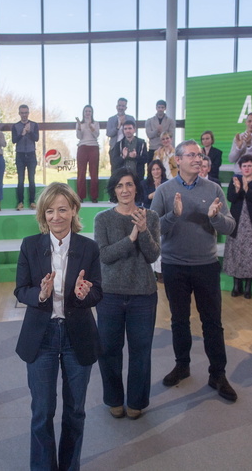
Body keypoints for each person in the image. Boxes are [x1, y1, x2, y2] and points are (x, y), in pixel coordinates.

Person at [14, 182, 102, 471]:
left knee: (75, 412)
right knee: (42, 411)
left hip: (78, 334)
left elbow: (97, 291)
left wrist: (83, 294)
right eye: (50, 211)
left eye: (62, 209)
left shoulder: (89, 248)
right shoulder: (30, 245)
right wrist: (40, 294)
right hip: (42, 337)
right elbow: (20, 290)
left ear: (74, 210)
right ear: (43, 214)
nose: (56, 216)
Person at [150, 140, 237, 402]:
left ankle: (218, 374)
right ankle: (182, 365)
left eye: (200, 155)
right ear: (177, 160)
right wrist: (173, 215)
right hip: (174, 266)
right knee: (179, 320)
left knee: (213, 323)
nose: (198, 159)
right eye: (192, 155)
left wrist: (214, 218)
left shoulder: (213, 189)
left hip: (206, 267)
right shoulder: (165, 191)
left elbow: (230, 227)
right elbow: (154, 229)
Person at [94, 168, 160, 420]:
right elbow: (105, 255)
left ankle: (136, 401)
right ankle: (113, 399)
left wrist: (142, 230)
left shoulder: (150, 217)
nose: (125, 189)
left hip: (143, 295)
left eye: (129, 184)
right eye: (120, 185)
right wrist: (131, 237)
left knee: (140, 351)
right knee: (109, 350)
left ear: (136, 188)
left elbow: (153, 255)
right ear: (114, 190)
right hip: (109, 295)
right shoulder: (103, 219)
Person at [223, 154, 252, 299]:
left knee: (250, 254)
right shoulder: (234, 180)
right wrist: (237, 189)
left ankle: (248, 287)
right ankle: (237, 285)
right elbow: (231, 199)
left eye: (249, 166)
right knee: (237, 253)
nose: (247, 168)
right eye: (244, 166)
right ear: (240, 168)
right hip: (237, 223)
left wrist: (247, 188)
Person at [12, 104, 39, 210]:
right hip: (20, 155)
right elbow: (14, 140)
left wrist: (29, 131)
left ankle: (32, 202)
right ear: (19, 113)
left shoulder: (34, 125)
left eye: (26, 113)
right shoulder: (15, 126)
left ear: (28, 113)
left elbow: (36, 138)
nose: (24, 115)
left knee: (32, 179)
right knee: (20, 180)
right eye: (22, 113)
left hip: (31, 154)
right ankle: (20, 202)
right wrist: (22, 133)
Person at [75, 105, 100, 202]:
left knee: (94, 172)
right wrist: (79, 127)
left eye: (89, 111)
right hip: (82, 147)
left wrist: (90, 127)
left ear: (92, 112)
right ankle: (80, 196)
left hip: (94, 147)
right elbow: (79, 137)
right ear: (83, 112)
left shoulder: (96, 123)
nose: (88, 113)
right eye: (86, 111)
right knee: (81, 172)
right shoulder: (79, 123)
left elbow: (97, 135)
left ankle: (94, 196)